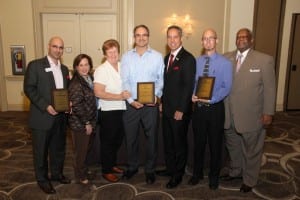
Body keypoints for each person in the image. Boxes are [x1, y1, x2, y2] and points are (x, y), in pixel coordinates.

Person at [222, 28, 276, 193]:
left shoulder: (264, 60)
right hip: (228, 114)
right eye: (238, 37)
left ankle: (249, 179)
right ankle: (236, 171)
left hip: (251, 115)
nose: (241, 39)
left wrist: (269, 112)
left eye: (245, 37)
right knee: (233, 146)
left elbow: (270, 89)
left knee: (252, 149)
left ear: (251, 40)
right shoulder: (226, 58)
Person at [23, 36, 71, 194]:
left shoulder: (64, 69)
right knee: (41, 151)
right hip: (42, 117)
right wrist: (46, 106)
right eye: (55, 46)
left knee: (58, 149)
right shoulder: (35, 65)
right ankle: (42, 180)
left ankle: (57, 174)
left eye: (61, 47)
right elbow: (29, 89)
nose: (58, 50)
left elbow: (65, 92)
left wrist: (68, 102)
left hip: (60, 117)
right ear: (49, 47)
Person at [188, 29, 232, 190]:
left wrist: (212, 99)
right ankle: (197, 173)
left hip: (215, 109)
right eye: (205, 39)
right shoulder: (197, 61)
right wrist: (193, 95)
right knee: (198, 143)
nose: (208, 42)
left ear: (217, 40)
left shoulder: (225, 63)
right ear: (201, 42)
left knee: (215, 144)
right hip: (198, 109)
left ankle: (214, 177)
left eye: (211, 38)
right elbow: (194, 83)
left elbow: (226, 87)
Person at [120, 24, 164, 184]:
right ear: (134, 37)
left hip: (150, 106)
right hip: (130, 105)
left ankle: (150, 170)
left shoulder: (157, 57)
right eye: (138, 35)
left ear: (148, 37)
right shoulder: (126, 57)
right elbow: (124, 80)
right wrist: (131, 101)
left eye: (144, 35)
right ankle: (132, 167)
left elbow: (160, 80)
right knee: (130, 138)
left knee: (151, 138)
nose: (141, 38)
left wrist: (156, 96)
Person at [158, 25, 196, 189]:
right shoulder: (166, 58)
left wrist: (181, 109)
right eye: (169, 37)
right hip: (166, 109)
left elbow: (188, 86)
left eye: (175, 37)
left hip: (179, 111)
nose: (172, 40)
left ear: (181, 38)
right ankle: (170, 168)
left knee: (179, 143)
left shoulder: (188, 58)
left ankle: (178, 174)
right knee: (168, 142)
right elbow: (166, 85)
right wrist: (161, 103)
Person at [94, 39, 130, 183]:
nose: (113, 54)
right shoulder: (101, 70)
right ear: (105, 54)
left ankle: (112, 164)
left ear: (119, 52)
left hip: (122, 109)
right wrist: (119, 96)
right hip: (108, 111)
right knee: (108, 142)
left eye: (115, 51)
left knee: (117, 139)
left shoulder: (123, 66)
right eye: (110, 52)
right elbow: (98, 92)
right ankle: (106, 170)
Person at [68, 54, 97, 185]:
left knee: (86, 149)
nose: (84, 68)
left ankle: (83, 170)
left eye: (86, 64)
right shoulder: (76, 83)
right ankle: (80, 175)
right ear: (76, 67)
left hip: (90, 120)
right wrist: (86, 122)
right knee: (80, 151)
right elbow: (77, 105)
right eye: (81, 65)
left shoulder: (90, 79)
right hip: (80, 123)